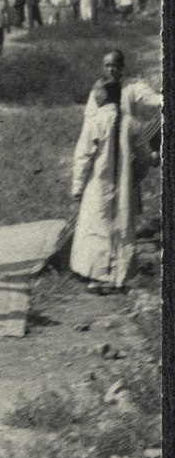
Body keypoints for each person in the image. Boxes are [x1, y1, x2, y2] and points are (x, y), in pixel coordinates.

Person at [67, 51, 163, 290]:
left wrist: (77, 186)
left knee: (98, 222)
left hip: (104, 176)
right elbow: (145, 155)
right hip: (121, 174)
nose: (111, 70)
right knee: (121, 222)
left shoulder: (103, 116)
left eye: (115, 66)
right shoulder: (131, 123)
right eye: (107, 66)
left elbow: (83, 153)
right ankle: (119, 275)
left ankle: (96, 274)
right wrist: (142, 168)